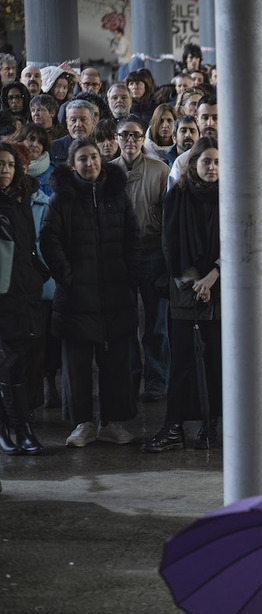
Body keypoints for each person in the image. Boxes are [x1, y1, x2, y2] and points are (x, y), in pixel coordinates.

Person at [39, 138, 139, 448]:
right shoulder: (61, 199)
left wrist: (128, 274)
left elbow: (132, 237)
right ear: (72, 165)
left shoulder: (117, 194)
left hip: (115, 292)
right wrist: (68, 277)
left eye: (94, 157)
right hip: (76, 296)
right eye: (82, 158)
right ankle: (82, 423)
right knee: (77, 364)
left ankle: (111, 423)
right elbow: (49, 240)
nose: (90, 163)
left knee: (116, 362)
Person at [142, 138, 221, 452]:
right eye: (206, 161)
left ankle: (210, 423)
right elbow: (170, 243)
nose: (212, 167)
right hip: (184, 290)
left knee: (216, 362)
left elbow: (239, 242)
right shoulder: (178, 194)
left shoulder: (232, 195)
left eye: (217, 162)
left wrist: (213, 276)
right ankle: (173, 427)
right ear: (194, 163)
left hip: (221, 291)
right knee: (182, 362)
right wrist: (194, 282)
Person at [111, 115, 171, 404]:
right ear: (116, 138)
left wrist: (168, 261)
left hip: (153, 253)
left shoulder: (160, 170)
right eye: (124, 135)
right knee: (125, 322)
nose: (130, 140)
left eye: (136, 135)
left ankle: (157, 380)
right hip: (120, 256)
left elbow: (169, 218)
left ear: (143, 138)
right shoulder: (108, 172)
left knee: (156, 323)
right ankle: (130, 378)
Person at [0, 142, 48, 455]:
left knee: (17, 361)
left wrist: (35, 276)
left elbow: (29, 246)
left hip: (21, 292)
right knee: (8, 362)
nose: (4, 170)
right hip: (1, 294)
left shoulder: (20, 200)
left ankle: (18, 427)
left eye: (9, 164)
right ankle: (16, 428)